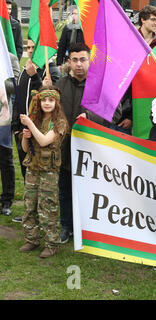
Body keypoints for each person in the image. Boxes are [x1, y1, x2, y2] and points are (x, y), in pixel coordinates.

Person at [55, 43, 122, 244]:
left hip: (92, 149)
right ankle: (66, 226)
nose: (78, 64)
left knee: (90, 190)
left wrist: (90, 116)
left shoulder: (100, 85)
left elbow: (115, 112)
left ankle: (89, 228)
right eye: (74, 60)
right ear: (68, 62)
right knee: (65, 189)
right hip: (65, 147)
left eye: (83, 59)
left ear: (89, 61)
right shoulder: (60, 85)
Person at [10, 38, 61, 223]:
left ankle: (42, 214)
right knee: (26, 172)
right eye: (28, 47)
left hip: (41, 133)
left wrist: (36, 77)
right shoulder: (26, 68)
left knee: (41, 178)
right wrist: (17, 125)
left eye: (34, 47)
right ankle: (29, 211)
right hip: (24, 130)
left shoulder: (51, 70)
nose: (30, 51)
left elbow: (51, 98)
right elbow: (20, 96)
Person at [18, 85, 69, 258]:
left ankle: (51, 244)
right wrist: (26, 136)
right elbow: (26, 148)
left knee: (47, 207)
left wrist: (30, 125)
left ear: (56, 102)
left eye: (51, 100)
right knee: (29, 205)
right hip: (33, 168)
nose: (47, 103)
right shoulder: (36, 119)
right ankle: (32, 239)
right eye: (44, 100)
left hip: (49, 171)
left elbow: (44, 141)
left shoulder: (60, 122)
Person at [0, 53, 19, 217]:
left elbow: (16, 85)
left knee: (5, 161)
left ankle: (6, 200)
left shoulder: (9, 57)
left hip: (3, 120)